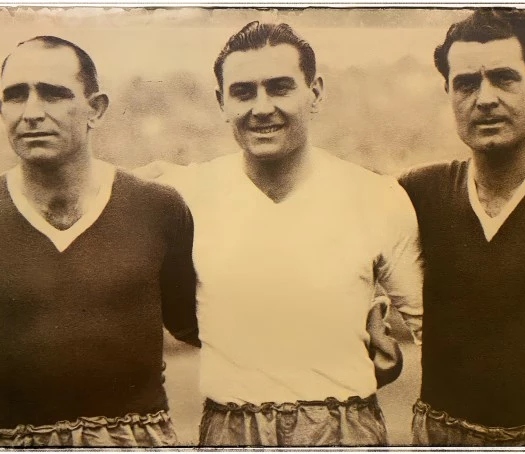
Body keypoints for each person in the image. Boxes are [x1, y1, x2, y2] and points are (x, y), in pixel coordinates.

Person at [136, 22, 423, 446]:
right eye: (243, 92)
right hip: (229, 430)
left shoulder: (376, 196)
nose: (262, 107)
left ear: (315, 93)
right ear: (221, 102)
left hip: (346, 429)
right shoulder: (183, 194)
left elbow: (434, 328)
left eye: (280, 87)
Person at [0, 36, 199, 447]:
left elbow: (202, 326)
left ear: (96, 108)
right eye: (16, 95)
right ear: (0, 109)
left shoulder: (157, 206)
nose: (31, 113)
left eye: (53, 94)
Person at [398, 8, 525, 446]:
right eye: (466, 83)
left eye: (504, 78)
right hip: (443, 435)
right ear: (448, 90)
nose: (484, 99)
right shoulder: (418, 191)